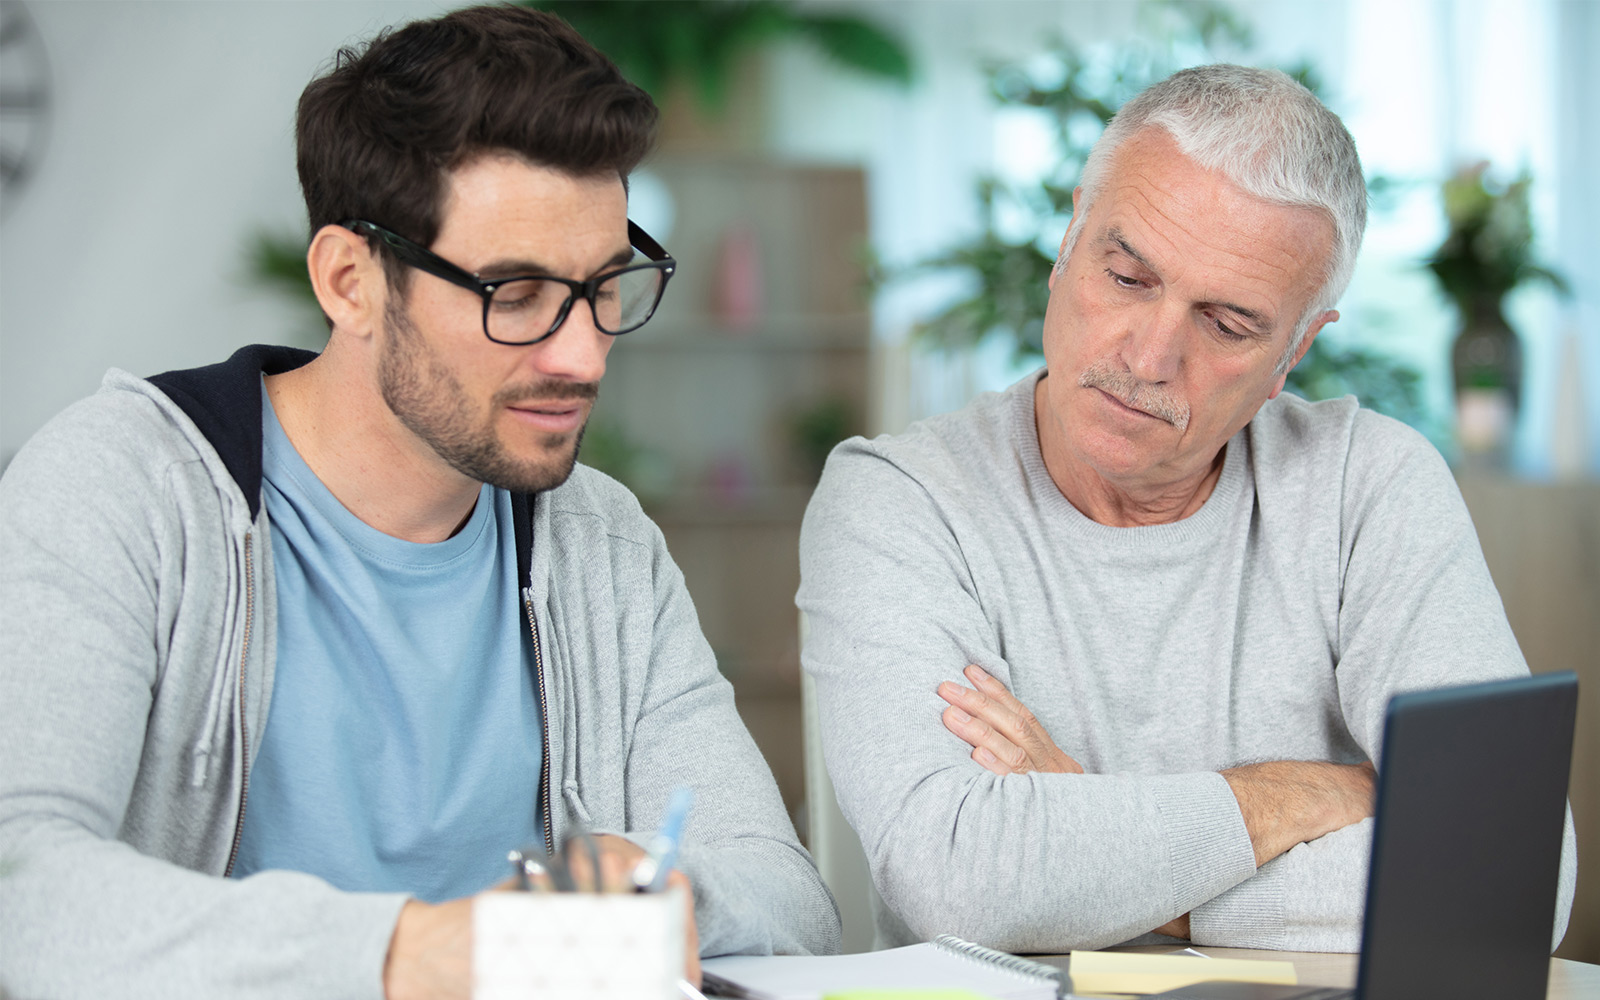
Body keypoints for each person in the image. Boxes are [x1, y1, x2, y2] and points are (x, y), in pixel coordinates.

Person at [0, 7, 838, 998]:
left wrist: (672, 892)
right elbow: (21, 888)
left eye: (607, 285)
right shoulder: (119, 487)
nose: (583, 353)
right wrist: (409, 952)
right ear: (350, 282)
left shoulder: (599, 539)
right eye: (515, 293)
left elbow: (790, 898)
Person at [798, 65, 1576, 954]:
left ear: (1295, 350)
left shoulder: (1372, 485)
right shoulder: (900, 501)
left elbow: (1511, 877)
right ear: (1068, 243)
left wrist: (1114, 869)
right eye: (1128, 276)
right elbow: (961, 879)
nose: (1151, 354)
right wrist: (1298, 795)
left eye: (1228, 325)